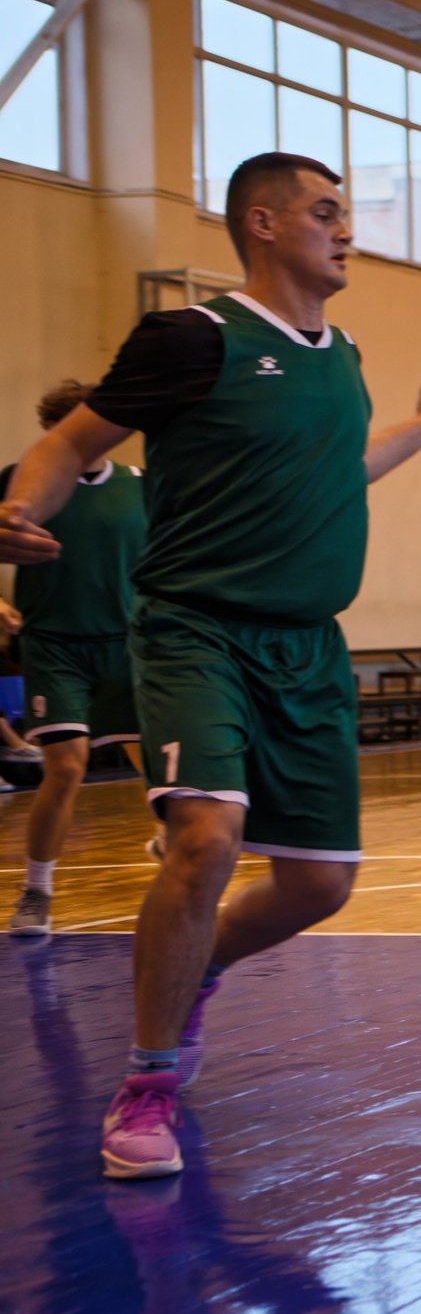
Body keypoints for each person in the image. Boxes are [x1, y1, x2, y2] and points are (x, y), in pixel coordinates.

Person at [0, 151, 421, 1178]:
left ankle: (197, 964)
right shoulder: (194, 337)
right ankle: (148, 1079)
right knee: (206, 836)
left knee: (320, 884)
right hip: (196, 630)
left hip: (307, 647)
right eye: (324, 211)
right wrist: (18, 510)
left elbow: (337, 471)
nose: (345, 229)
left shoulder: (343, 353)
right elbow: (71, 442)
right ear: (262, 223)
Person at [4, 380, 147, 936]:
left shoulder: (142, 484)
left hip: (130, 644)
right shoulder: (20, 482)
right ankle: (36, 891)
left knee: (169, 771)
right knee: (65, 768)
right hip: (55, 644)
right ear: (50, 430)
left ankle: (179, 847)